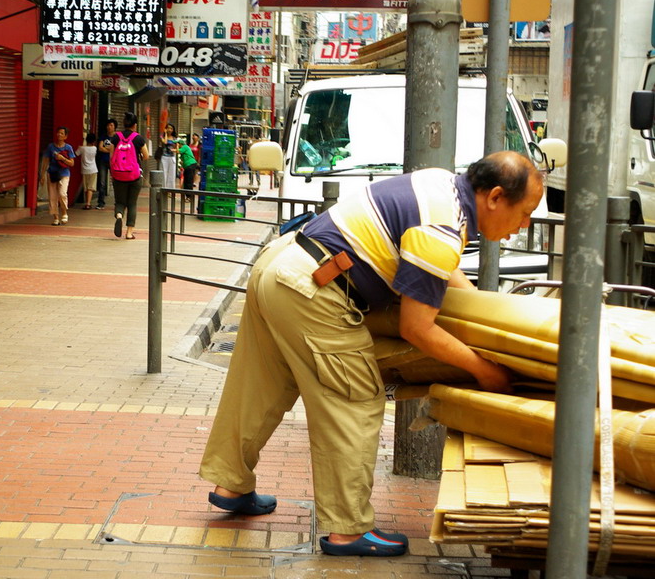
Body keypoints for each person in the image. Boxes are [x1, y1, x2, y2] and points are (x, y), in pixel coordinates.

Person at [198, 151, 544, 558]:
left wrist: (491, 316)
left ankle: (231, 483)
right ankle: (347, 530)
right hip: (316, 288)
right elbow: (416, 328)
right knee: (356, 396)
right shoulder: (442, 226)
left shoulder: (442, 185)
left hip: (282, 265)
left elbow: (442, 271)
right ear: (496, 197)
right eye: (526, 213)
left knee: (262, 382)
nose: (524, 225)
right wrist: (483, 370)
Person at [110, 111, 149, 240]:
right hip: (134, 176)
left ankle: (119, 216)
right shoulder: (138, 138)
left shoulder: (116, 137)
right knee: (132, 203)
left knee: (120, 202)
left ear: (123, 123)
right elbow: (146, 156)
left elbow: (111, 156)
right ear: (135, 125)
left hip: (118, 175)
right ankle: (129, 233)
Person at [42, 127, 75, 226]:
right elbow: (46, 161)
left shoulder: (68, 148)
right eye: (58, 133)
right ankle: (55, 217)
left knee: (62, 193)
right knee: (52, 196)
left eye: (62, 133)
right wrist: (42, 174)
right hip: (52, 173)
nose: (59, 135)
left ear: (65, 136)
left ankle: (64, 213)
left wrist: (62, 158)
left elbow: (71, 163)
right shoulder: (51, 147)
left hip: (64, 173)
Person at [95, 119, 117, 210]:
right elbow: (100, 148)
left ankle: (118, 202)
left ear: (115, 126)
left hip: (114, 162)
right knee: (102, 182)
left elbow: (117, 149)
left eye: (111, 125)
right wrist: (111, 149)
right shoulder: (103, 137)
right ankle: (101, 203)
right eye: (108, 125)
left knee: (115, 182)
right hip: (103, 161)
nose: (109, 127)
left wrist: (107, 148)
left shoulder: (117, 137)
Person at [77, 132, 98, 209]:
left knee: (86, 188)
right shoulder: (95, 148)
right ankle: (88, 203)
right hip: (93, 169)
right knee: (90, 187)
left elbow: (76, 154)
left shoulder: (82, 148)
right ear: (94, 141)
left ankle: (87, 203)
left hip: (84, 170)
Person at [159, 123, 178, 189]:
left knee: (172, 174)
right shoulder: (162, 137)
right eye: (168, 128)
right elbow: (165, 142)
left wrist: (174, 150)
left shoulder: (175, 138)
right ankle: (164, 189)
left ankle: (171, 190)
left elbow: (177, 149)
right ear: (166, 129)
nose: (170, 130)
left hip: (172, 157)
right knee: (164, 173)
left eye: (171, 128)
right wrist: (165, 134)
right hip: (164, 157)